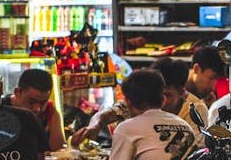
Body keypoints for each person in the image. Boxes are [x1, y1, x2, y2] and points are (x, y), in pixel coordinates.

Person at [70, 57, 209, 146]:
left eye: (168, 95)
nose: (162, 101)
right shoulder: (146, 97)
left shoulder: (197, 111)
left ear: (182, 93)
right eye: (160, 94)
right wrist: (94, 127)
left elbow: (196, 152)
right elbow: (106, 114)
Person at [2, 68, 65, 151]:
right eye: (31, 102)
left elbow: (57, 153)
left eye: (43, 102)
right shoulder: (1, 110)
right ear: (17, 92)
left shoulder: (49, 113)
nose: (37, 109)